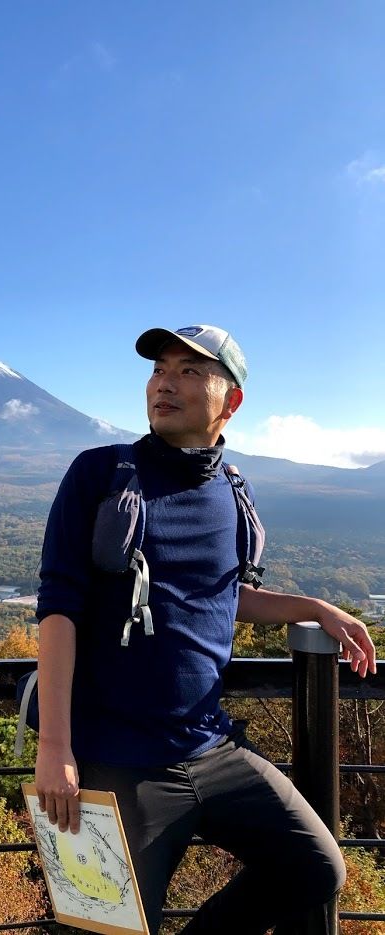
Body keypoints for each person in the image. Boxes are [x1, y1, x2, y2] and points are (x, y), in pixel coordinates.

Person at [34, 324, 376, 935]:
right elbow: (59, 608)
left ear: (231, 402)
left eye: (190, 372)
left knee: (316, 867)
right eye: (160, 369)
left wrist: (315, 608)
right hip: (114, 763)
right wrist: (54, 749)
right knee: (99, 928)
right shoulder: (99, 475)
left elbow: (222, 596)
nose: (166, 382)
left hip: (212, 750)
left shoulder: (229, 491)